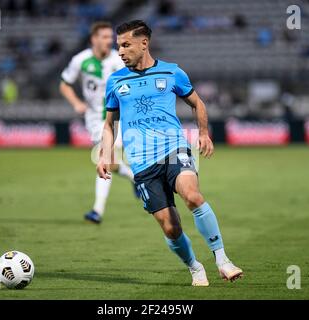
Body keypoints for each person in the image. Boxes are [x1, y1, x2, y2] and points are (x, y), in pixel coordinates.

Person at [97, 20, 243, 285]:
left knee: (193, 196)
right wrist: (105, 154)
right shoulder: (115, 81)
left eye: (126, 45)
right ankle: (194, 266)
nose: (119, 51)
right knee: (170, 226)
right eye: (118, 46)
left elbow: (197, 103)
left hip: (174, 149)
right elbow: (109, 124)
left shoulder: (172, 72)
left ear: (144, 43)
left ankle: (223, 260)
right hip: (141, 164)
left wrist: (202, 132)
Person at [60, 21, 137, 224]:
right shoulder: (80, 60)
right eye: (104, 37)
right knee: (109, 161)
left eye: (110, 37)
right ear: (94, 39)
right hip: (94, 119)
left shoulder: (120, 60)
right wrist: (76, 103)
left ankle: (97, 210)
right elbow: (65, 84)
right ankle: (136, 179)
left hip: (117, 118)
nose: (108, 41)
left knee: (104, 157)